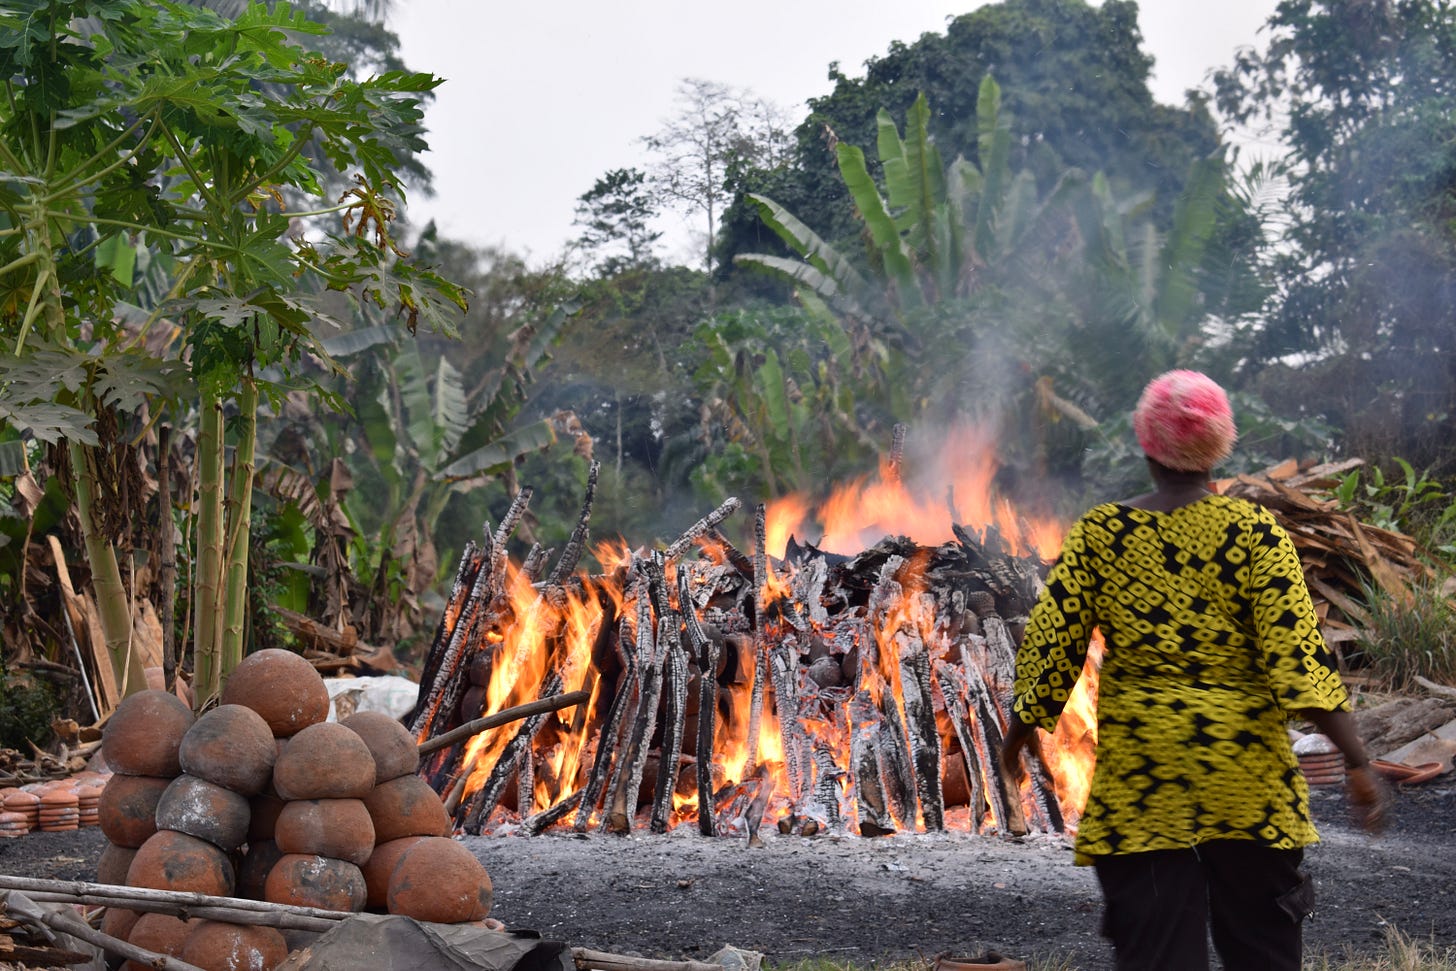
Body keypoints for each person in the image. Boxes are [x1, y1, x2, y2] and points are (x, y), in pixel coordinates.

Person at [999, 369, 1391, 971]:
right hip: (1246, 780)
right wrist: (1359, 764)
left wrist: (1016, 739)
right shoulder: (1256, 535)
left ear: (1146, 446)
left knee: (1160, 956)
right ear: (1219, 449)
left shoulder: (1101, 535)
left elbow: (1052, 649)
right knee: (1264, 953)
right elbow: (1299, 663)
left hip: (1145, 784)